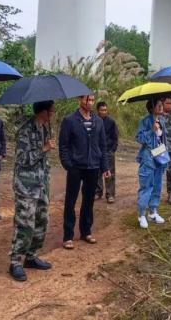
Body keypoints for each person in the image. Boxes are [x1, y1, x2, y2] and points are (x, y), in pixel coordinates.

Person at [9, 100, 56, 282]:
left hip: (41, 184)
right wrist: (44, 148)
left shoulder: (44, 128)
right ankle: (15, 262)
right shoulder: (25, 130)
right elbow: (22, 159)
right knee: (25, 223)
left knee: (42, 221)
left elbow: (43, 159)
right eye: (51, 111)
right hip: (26, 185)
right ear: (43, 112)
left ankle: (31, 256)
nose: (53, 114)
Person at [59, 94, 110, 249]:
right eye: (88, 100)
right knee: (71, 201)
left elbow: (103, 145)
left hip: (93, 166)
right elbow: (63, 145)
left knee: (89, 200)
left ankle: (86, 231)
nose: (90, 103)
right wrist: (68, 164)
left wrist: (105, 166)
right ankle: (68, 236)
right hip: (75, 167)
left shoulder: (98, 121)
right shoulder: (70, 120)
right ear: (80, 100)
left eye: (93, 100)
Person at [136, 97, 169, 229]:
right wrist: (151, 130)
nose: (161, 107)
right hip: (148, 158)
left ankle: (153, 212)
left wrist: (165, 157)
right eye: (158, 105)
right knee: (146, 187)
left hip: (160, 158)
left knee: (157, 186)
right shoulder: (145, 121)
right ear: (151, 107)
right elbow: (139, 138)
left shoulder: (162, 121)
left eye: (161, 105)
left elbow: (163, 140)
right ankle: (141, 215)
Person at [95, 101, 119, 203]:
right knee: (97, 173)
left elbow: (115, 137)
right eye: (102, 110)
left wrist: (112, 150)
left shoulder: (111, 122)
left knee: (109, 173)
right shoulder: (94, 121)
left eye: (105, 110)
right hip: (96, 151)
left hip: (108, 151)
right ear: (98, 111)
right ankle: (98, 192)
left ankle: (110, 194)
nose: (104, 112)